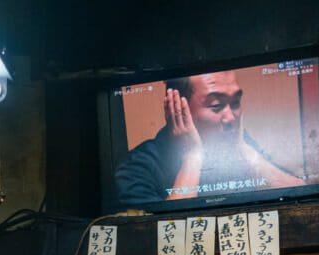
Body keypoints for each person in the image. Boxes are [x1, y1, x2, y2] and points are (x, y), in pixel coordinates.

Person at [114, 70, 306, 206]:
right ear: (179, 109)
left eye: (236, 102)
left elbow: (303, 197)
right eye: (216, 105)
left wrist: (247, 153)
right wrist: (192, 157)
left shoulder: (239, 143)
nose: (231, 117)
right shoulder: (136, 167)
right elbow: (160, 240)